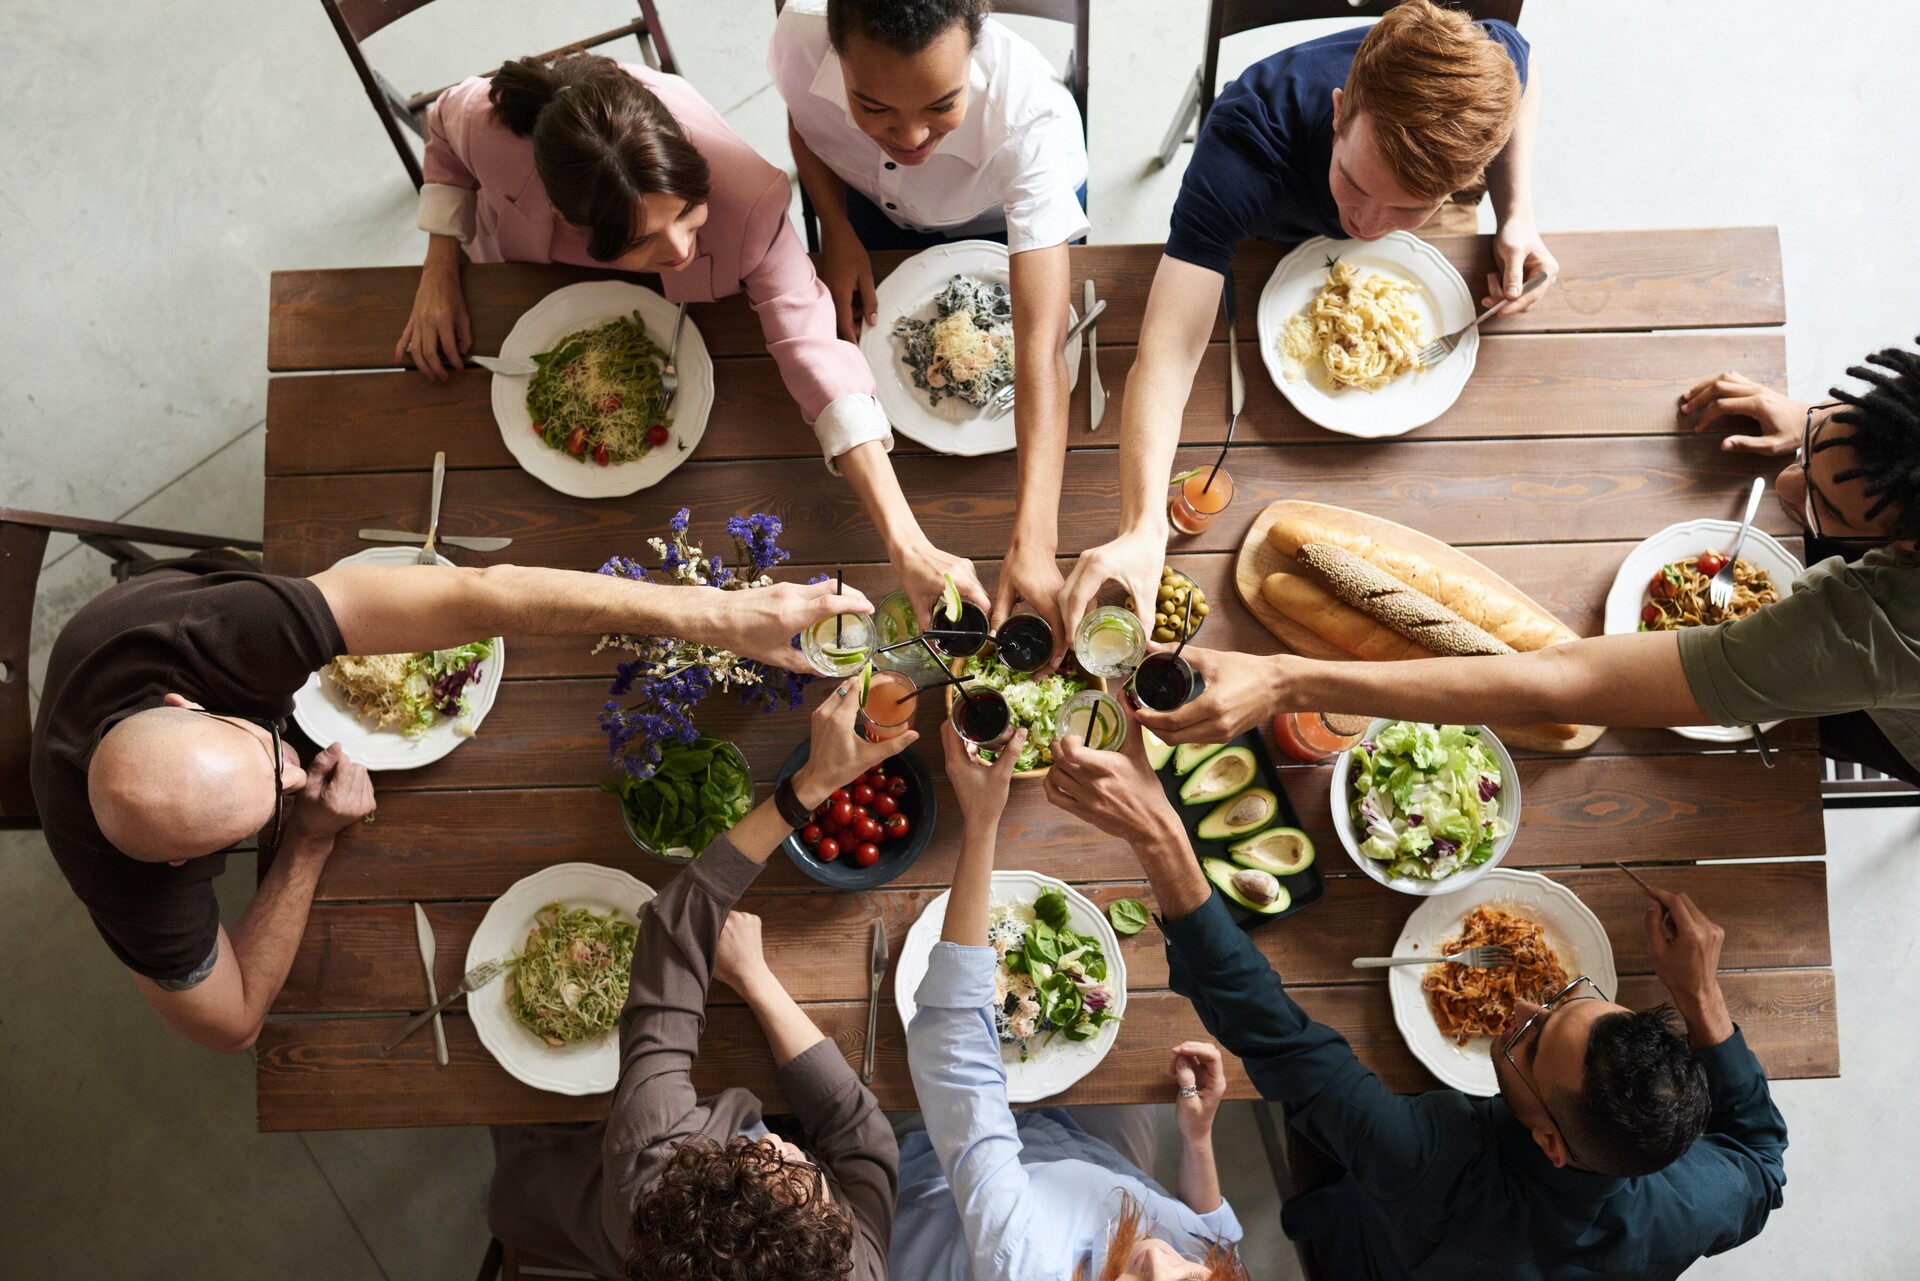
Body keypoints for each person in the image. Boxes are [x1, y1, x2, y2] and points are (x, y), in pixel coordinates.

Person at [31, 548, 868, 1052]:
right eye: (273, 797)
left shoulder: (209, 637)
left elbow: (482, 593)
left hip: (176, 626)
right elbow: (235, 1020)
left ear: (187, 704)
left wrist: (713, 612)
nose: (298, 765)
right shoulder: (126, 887)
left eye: (265, 752)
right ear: (181, 863)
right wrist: (310, 842)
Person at [1044, 720, 1787, 1280]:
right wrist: (1700, 995)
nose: (1522, 1010)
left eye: (1529, 1044)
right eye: (1565, 999)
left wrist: (1160, 833)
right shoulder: (1692, 1198)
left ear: (1554, 1144)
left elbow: (1272, 1032)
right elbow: (1763, 1158)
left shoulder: (1429, 1163)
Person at [1128, 337, 1920, 787]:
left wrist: (1285, 677)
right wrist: (1824, 434)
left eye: (1822, 508)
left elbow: (1566, 679)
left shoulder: (1870, 631)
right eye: (1815, 445)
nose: (1780, 485)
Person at [399, 50, 989, 622]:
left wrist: (906, 541)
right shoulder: (489, 129)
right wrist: (438, 268)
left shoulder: (750, 200)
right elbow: (442, 132)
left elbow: (815, 351)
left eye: (687, 212)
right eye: (643, 242)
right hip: (526, 281)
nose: (681, 252)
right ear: (570, 222)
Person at [1061, 0, 1554, 636]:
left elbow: (1522, 54)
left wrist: (1517, 214)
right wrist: (1143, 525)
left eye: (1407, 209)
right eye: (1355, 183)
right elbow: (1171, 345)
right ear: (1339, 109)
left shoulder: (1480, 78)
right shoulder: (1245, 141)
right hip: (1267, 232)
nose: (1368, 228)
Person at [486, 687, 903, 1279]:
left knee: (530, 1146)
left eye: (767, 1161)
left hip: (566, 1189)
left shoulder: (650, 1171)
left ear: (702, 1180)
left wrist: (806, 788)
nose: (789, 1147)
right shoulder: (851, 1269)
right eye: (811, 1179)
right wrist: (756, 980)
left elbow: (672, 932)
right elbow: (867, 1141)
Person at [772, 0, 1089, 649]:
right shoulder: (798, 40)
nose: (911, 137)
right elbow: (804, 124)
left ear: (977, 42)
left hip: (998, 215)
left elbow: (1038, 352)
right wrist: (835, 226)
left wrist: (1036, 540)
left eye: (940, 105)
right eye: (874, 108)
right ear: (834, 50)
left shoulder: (1030, 117)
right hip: (866, 204)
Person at [894, 720, 1248, 1280]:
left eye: (1141, 1280)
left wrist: (983, 820)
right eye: (1186, 1275)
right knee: (1131, 1071)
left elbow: (955, 1058)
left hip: (938, 1181)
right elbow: (1215, 1239)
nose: (1156, 1255)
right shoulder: (1187, 1259)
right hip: (1088, 1163)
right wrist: (1197, 1140)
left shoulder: (1021, 1259)